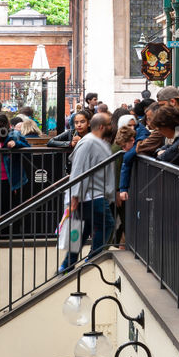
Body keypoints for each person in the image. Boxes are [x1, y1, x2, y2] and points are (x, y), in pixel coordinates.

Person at [59, 112, 115, 271]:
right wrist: (74, 196)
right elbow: (78, 170)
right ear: (103, 126)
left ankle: (67, 265)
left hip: (90, 194)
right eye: (110, 124)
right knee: (106, 224)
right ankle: (92, 257)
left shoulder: (93, 141)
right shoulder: (89, 142)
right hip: (91, 195)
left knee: (81, 229)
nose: (112, 127)